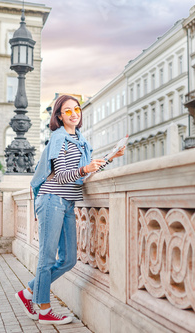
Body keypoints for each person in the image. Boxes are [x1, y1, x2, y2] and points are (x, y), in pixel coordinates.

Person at [15, 95, 125, 325]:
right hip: (52, 199)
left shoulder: (80, 140)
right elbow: (64, 175)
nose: (74, 113)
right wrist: (85, 168)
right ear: (59, 116)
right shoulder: (59, 138)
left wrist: (110, 157)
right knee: (47, 257)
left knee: (68, 260)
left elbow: (85, 171)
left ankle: (28, 294)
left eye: (77, 109)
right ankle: (43, 309)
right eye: (68, 111)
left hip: (67, 203)